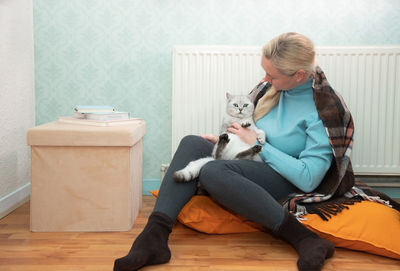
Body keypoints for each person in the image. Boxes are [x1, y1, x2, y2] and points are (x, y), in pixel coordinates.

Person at [113, 32, 353, 271]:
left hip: (286, 176)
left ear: (298, 75)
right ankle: (153, 237)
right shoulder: (270, 89)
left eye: (272, 75)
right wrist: (226, 141)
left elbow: (309, 179)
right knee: (192, 143)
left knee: (213, 171)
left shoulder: (325, 110)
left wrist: (259, 145)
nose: (265, 79)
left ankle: (306, 238)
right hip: (254, 158)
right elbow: (247, 131)